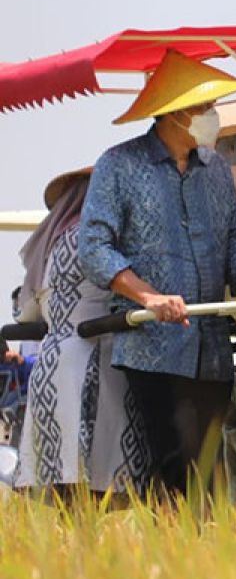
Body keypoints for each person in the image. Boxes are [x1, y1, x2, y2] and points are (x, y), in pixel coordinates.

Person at [79, 50, 236, 495]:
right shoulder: (119, 165)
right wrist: (149, 297)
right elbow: (95, 248)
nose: (213, 117)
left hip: (213, 347)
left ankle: (208, 553)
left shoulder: (217, 170)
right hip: (153, 347)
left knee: (215, 463)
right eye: (205, 108)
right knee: (176, 462)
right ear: (175, 114)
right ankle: (178, 549)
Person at [14, 167, 150, 497]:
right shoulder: (91, 242)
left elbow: (27, 313)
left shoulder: (53, 244)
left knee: (62, 478)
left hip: (52, 360)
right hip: (92, 359)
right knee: (98, 476)